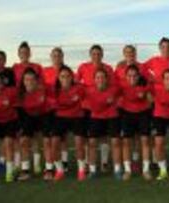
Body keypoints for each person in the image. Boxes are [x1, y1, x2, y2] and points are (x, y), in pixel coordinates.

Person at [76, 44, 115, 172]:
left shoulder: (108, 68)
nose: (96, 56)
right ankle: (88, 162)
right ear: (90, 55)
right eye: (94, 54)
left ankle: (104, 162)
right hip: (88, 107)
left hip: (105, 106)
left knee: (104, 136)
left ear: (102, 55)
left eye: (99, 54)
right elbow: (76, 83)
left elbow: (112, 86)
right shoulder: (83, 67)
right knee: (89, 137)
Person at [16, 68, 54, 181]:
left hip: (45, 115)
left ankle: (49, 170)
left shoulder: (44, 89)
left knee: (47, 141)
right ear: (23, 81)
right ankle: (25, 170)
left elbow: (51, 107)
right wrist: (21, 127)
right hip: (28, 117)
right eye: (26, 79)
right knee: (23, 141)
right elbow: (20, 111)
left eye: (32, 79)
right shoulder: (20, 93)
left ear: (37, 81)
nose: (29, 82)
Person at [51, 66, 86, 181]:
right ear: (59, 78)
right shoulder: (54, 90)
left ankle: (81, 170)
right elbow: (57, 104)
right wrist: (70, 102)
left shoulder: (80, 88)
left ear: (72, 77)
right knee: (54, 143)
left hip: (77, 117)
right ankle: (60, 170)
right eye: (62, 76)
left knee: (79, 143)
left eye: (67, 76)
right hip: (60, 118)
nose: (65, 79)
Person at [85, 68, 121, 179]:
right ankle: (92, 170)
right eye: (98, 77)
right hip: (96, 118)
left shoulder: (115, 89)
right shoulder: (88, 90)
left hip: (112, 117)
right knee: (92, 143)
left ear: (107, 79)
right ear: (94, 80)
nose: (100, 79)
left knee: (115, 142)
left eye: (102, 77)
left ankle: (118, 170)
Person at [119, 64, 152, 181]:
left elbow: (150, 101)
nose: (132, 78)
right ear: (126, 77)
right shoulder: (121, 86)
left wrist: (146, 97)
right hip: (127, 115)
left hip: (143, 114)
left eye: (134, 76)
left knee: (145, 141)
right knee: (126, 142)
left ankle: (146, 170)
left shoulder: (145, 86)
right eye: (129, 76)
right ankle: (127, 170)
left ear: (138, 76)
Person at [44, 47, 71, 172]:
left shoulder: (67, 71)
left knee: (63, 137)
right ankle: (50, 165)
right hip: (49, 109)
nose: (56, 57)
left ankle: (64, 162)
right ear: (51, 57)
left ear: (62, 57)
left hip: (64, 109)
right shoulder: (45, 71)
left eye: (59, 55)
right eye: (54, 55)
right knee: (49, 138)